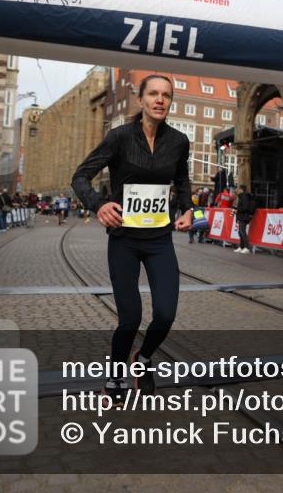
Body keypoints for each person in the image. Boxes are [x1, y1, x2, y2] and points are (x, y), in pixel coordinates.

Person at [72, 74, 193, 405]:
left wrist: (187, 209)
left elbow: (182, 179)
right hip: (125, 239)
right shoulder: (119, 138)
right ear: (140, 101)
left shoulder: (179, 141)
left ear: (170, 101)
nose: (160, 100)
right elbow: (80, 176)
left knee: (166, 313)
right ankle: (114, 378)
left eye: (166, 95)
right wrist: (98, 205)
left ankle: (142, 359)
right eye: (153, 94)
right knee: (130, 317)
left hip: (159, 240)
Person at [233, 185, 256, 253]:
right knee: (240, 232)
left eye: (238, 188)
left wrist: (237, 210)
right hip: (242, 216)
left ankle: (246, 247)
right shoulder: (241, 196)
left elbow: (245, 207)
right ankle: (241, 246)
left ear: (241, 189)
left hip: (244, 216)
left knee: (242, 232)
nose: (236, 190)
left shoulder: (244, 196)